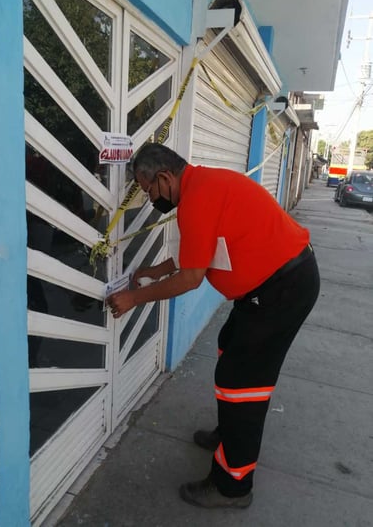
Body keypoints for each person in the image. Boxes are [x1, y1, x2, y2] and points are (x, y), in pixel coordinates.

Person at [107, 142, 320, 509]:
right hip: (275, 287)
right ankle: (229, 433)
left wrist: (133, 298)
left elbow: (191, 278)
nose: (150, 199)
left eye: (148, 190)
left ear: (164, 177)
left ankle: (232, 486)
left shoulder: (196, 199)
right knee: (230, 343)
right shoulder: (201, 187)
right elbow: (200, 249)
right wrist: (154, 272)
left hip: (282, 290)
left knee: (241, 384)